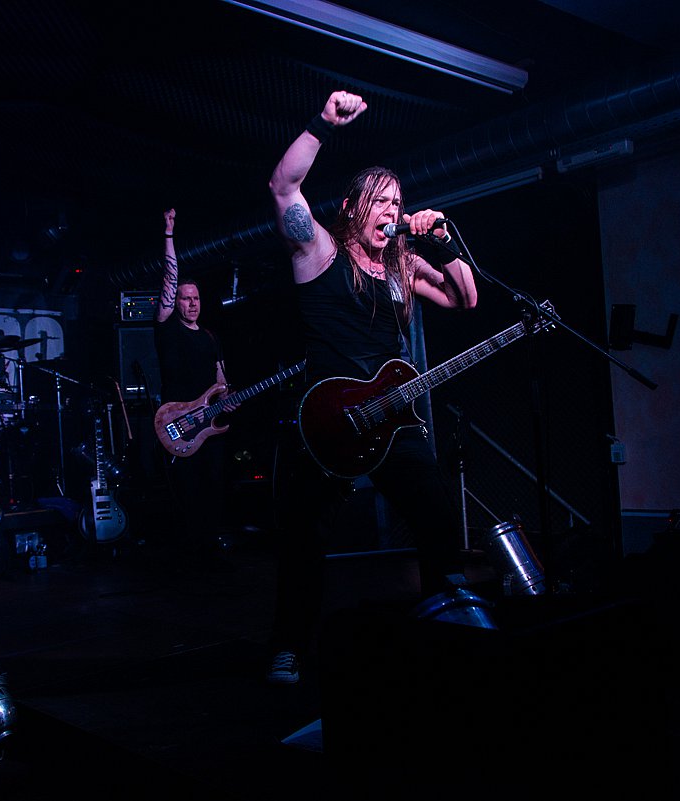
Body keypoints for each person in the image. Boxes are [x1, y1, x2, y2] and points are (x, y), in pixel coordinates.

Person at [264, 91, 479, 684]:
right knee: (305, 538)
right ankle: (288, 645)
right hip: (327, 417)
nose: (392, 210)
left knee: (437, 519)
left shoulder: (403, 268)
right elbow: (283, 188)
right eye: (381, 200)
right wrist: (322, 124)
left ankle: (448, 628)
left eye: (398, 203)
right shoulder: (319, 252)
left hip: (393, 413)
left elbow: (465, 298)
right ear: (353, 207)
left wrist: (442, 239)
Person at [153, 208, 238, 571]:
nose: (191, 303)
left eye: (196, 298)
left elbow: (221, 379)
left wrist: (227, 400)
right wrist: (169, 236)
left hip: (210, 424)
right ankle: (188, 555)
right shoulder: (167, 328)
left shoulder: (210, 337)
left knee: (213, 485)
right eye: (186, 298)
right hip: (179, 421)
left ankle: (210, 550)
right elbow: (169, 279)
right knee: (186, 490)